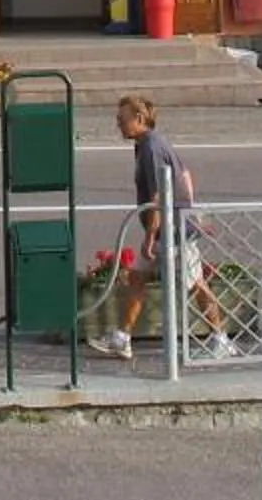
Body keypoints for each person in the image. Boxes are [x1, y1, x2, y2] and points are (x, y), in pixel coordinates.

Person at [94, 94, 237, 361]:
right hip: (171, 225)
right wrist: (189, 206)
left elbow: (159, 195)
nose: (118, 125)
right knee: (137, 278)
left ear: (138, 119)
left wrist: (151, 235)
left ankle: (221, 339)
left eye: (121, 120)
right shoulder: (148, 143)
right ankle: (122, 337)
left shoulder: (150, 147)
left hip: (174, 230)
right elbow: (184, 174)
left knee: (196, 284)